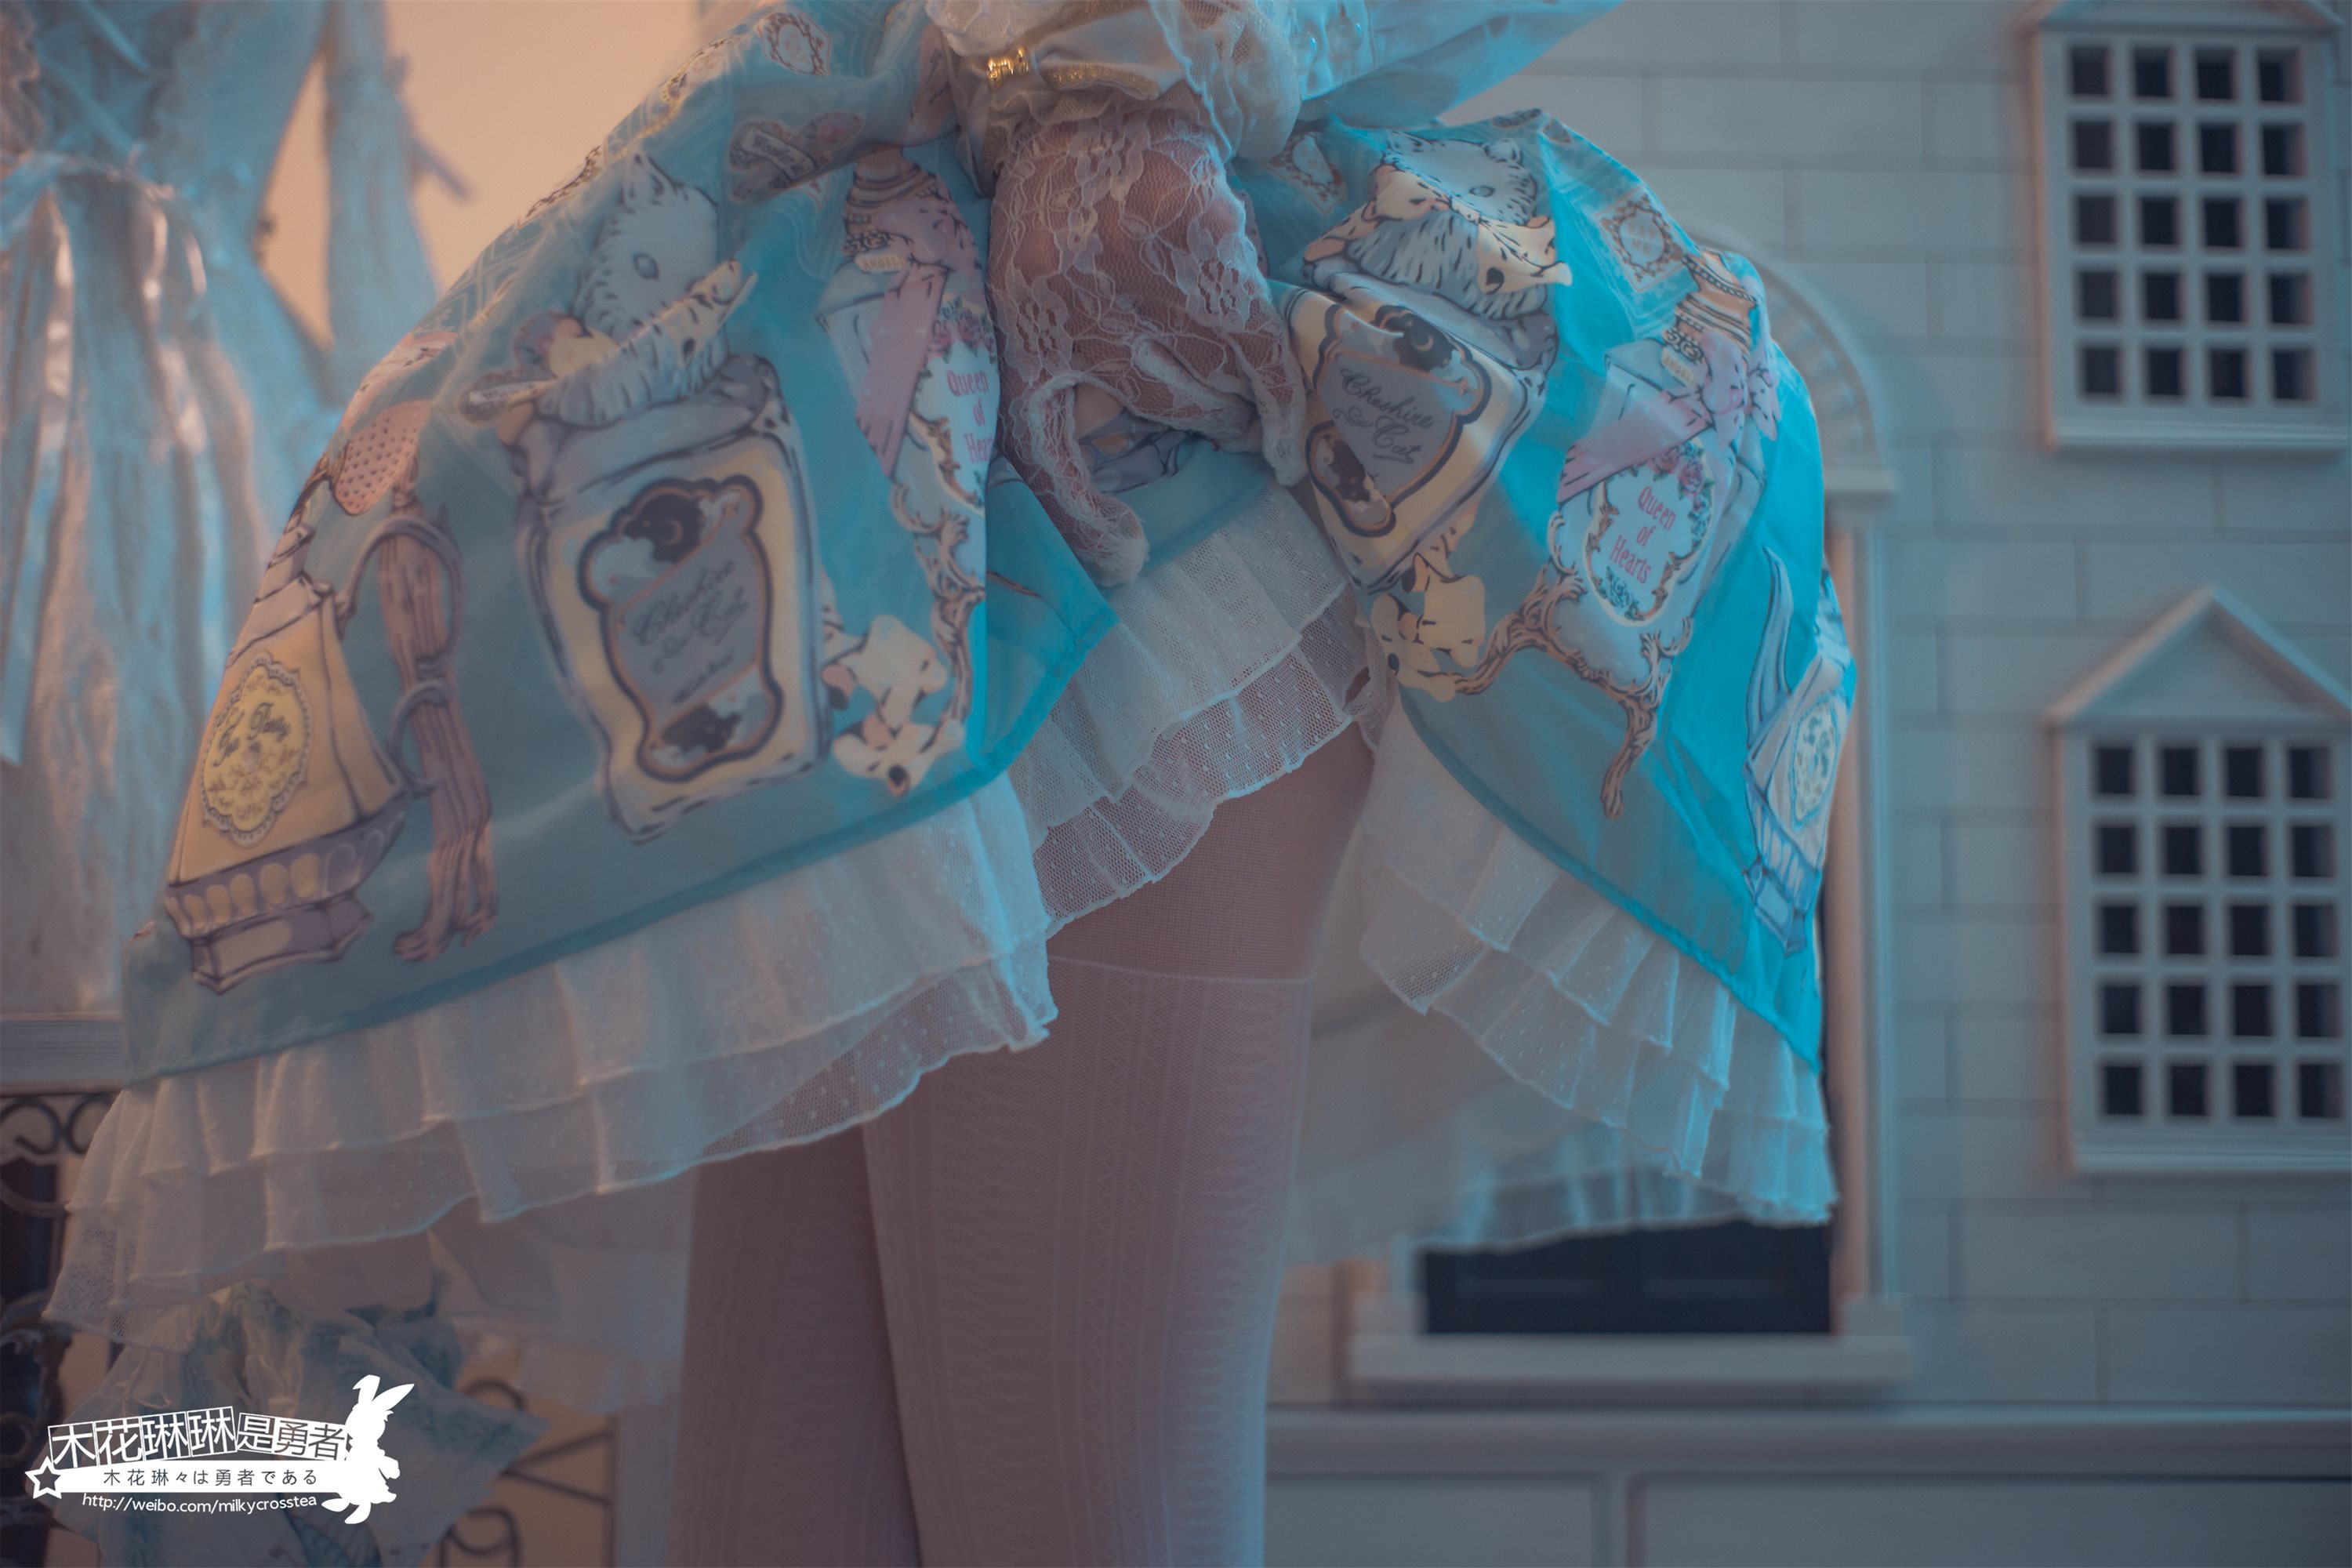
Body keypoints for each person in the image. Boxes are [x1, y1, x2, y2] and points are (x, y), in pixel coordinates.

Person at [47, 2, 1853, 1563]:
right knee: (797, 1514)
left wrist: (1149, 66)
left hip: (1130, 348)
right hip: (829, 335)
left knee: (1063, 1500)